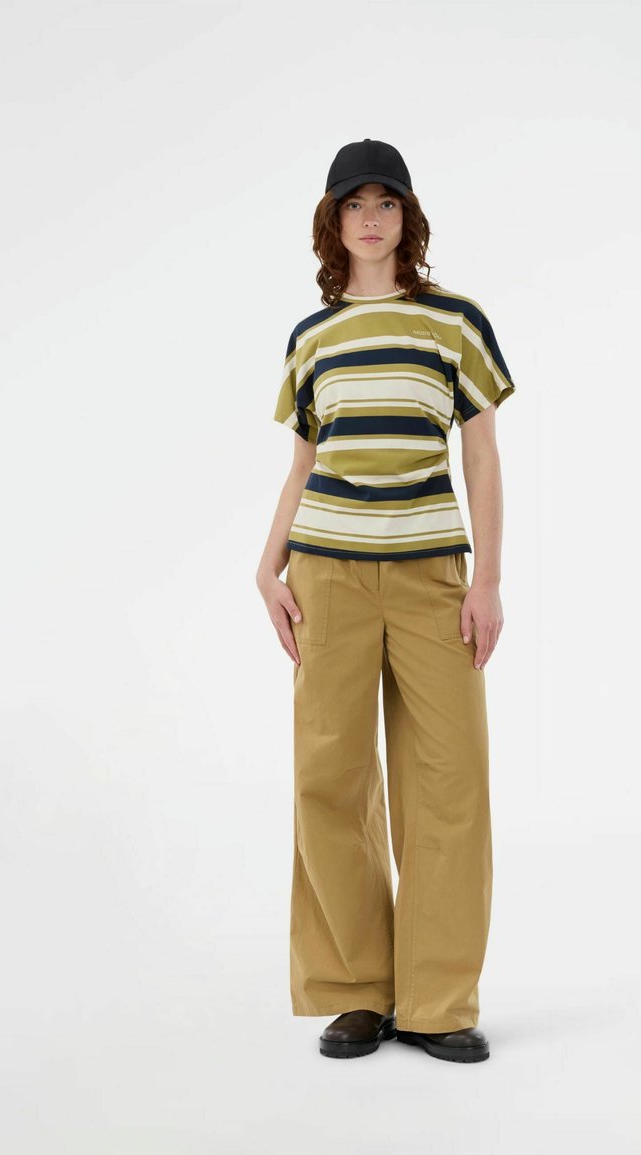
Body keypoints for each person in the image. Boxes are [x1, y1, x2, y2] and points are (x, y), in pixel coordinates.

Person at [257, 139, 516, 1063]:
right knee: (329, 777)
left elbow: (481, 453)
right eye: (354, 205)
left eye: (387, 203)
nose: (371, 219)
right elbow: (304, 463)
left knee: (450, 779)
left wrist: (487, 579)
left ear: (409, 218)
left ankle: (438, 1000)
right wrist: (267, 566)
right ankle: (358, 991)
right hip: (324, 574)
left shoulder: (455, 322)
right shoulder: (311, 336)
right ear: (333, 223)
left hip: (430, 576)